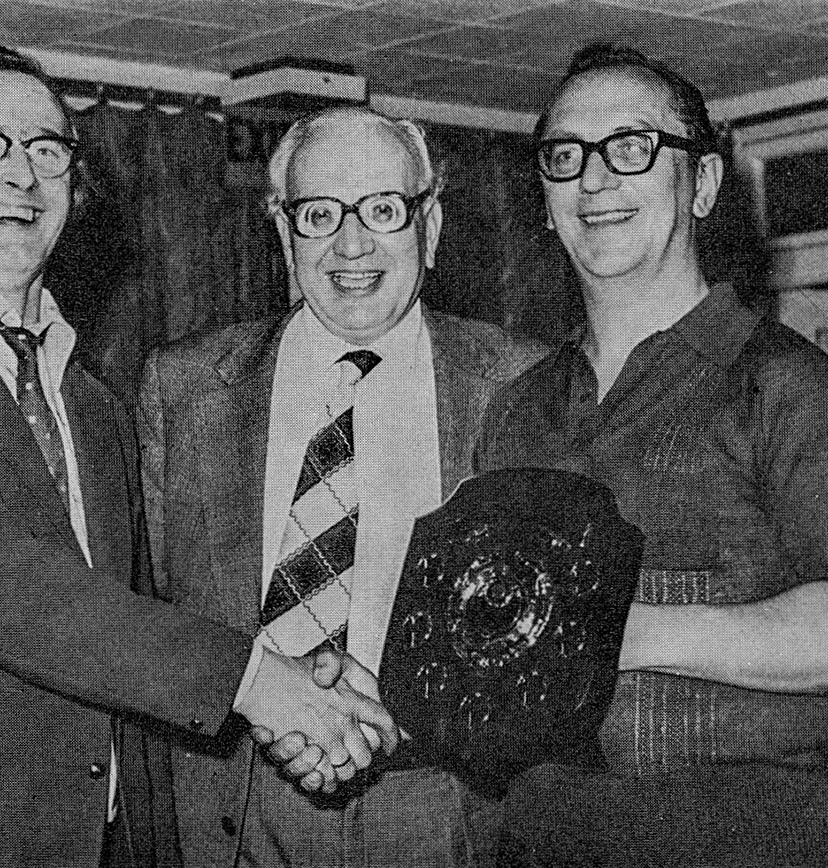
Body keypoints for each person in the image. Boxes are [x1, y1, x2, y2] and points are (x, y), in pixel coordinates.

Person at [0, 44, 395, 868]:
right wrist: (257, 682)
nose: (21, 173)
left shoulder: (91, 400)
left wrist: (290, 667)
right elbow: (1, 587)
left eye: (46, 148)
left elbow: (129, 617)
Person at [477, 42, 828, 867]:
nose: (595, 181)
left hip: (738, 838)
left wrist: (629, 630)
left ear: (706, 185)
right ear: (543, 200)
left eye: (631, 148)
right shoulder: (518, 410)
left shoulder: (784, 381)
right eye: (565, 156)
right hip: (542, 838)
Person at [135, 106, 545, 868]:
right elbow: (153, 614)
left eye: (383, 210)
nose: (350, 244)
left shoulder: (525, 385)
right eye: (319, 213)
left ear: (431, 224)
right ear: (282, 230)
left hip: (442, 811)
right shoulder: (184, 387)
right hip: (235, 811)